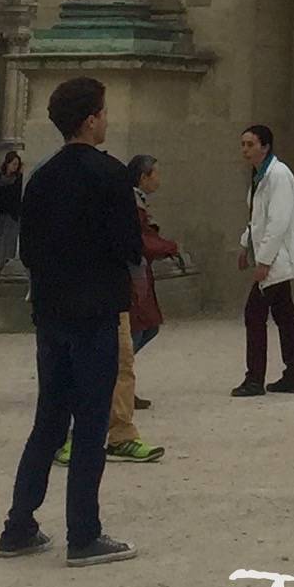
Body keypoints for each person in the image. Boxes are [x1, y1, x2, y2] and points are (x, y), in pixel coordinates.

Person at [0, 76, 142, 569]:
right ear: (90, 120)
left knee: (49, 421)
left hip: (53, 311)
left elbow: (30, 250)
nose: (107, 120)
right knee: (91, 424)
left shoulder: (41, 178)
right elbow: (128, 246)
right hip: (96, 310)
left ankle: (19, 525)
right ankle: (84, 533)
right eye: (103, 112)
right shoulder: (110, 174)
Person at [104, 154, 177, 465]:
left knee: (134, 344)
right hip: (123, 282)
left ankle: (119, 423)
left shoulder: (135, 202)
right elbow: (137, 241)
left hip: (128, 279)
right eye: (155, 172)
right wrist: (167, 246)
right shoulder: (130, 204)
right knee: (122, 353)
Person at [232, 123, 294, 399]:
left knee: (254, 314)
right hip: (273, 255)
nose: (245, 149)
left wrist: (263, 261)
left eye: (250, 144)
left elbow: (277, 222)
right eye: (243, 144)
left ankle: (255, 378)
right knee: (284, 314)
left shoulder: (278, 175)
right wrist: (245, 245)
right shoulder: (260, 176)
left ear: (265, 147)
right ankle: (293, 373)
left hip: (278, 257)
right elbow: (257, 219)